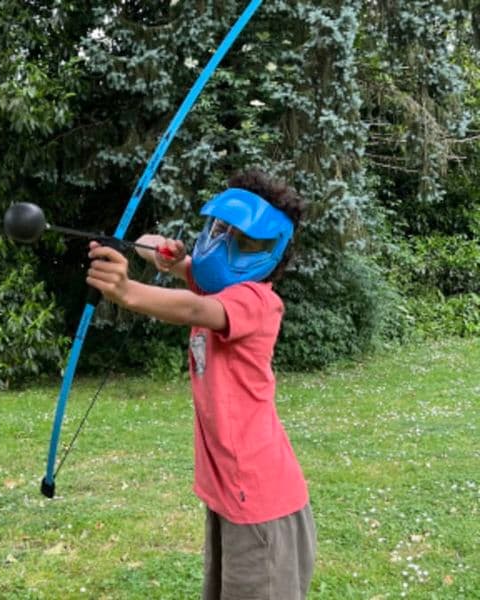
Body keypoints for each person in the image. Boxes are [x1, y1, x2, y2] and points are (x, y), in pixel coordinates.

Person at [86, 168, 316, 599]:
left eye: (243, 240)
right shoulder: (215, 286)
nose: (224, 243)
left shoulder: (257, 301)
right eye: (219, 230)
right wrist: (160, 250)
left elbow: (194, 310)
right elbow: (165, 253)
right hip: (231, 498)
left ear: (269, 252)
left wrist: (126, 292)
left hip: (261, 506)